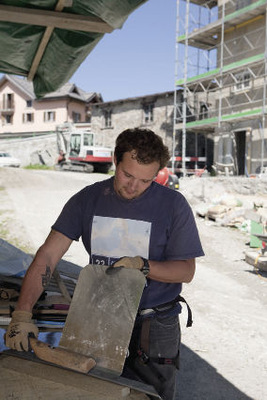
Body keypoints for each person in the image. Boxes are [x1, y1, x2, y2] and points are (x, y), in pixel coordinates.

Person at [5, 128, 204, 400]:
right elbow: (48, 256)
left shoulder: (173, 205)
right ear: (115, 160)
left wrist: (143, 266)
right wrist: (22, 313)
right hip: (99, 315)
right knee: (95, 390)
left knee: (151, 395)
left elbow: (186, 271)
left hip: (154, 323)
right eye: (127, 175)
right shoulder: (88, 199)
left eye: (146, 181)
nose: (134, 187)